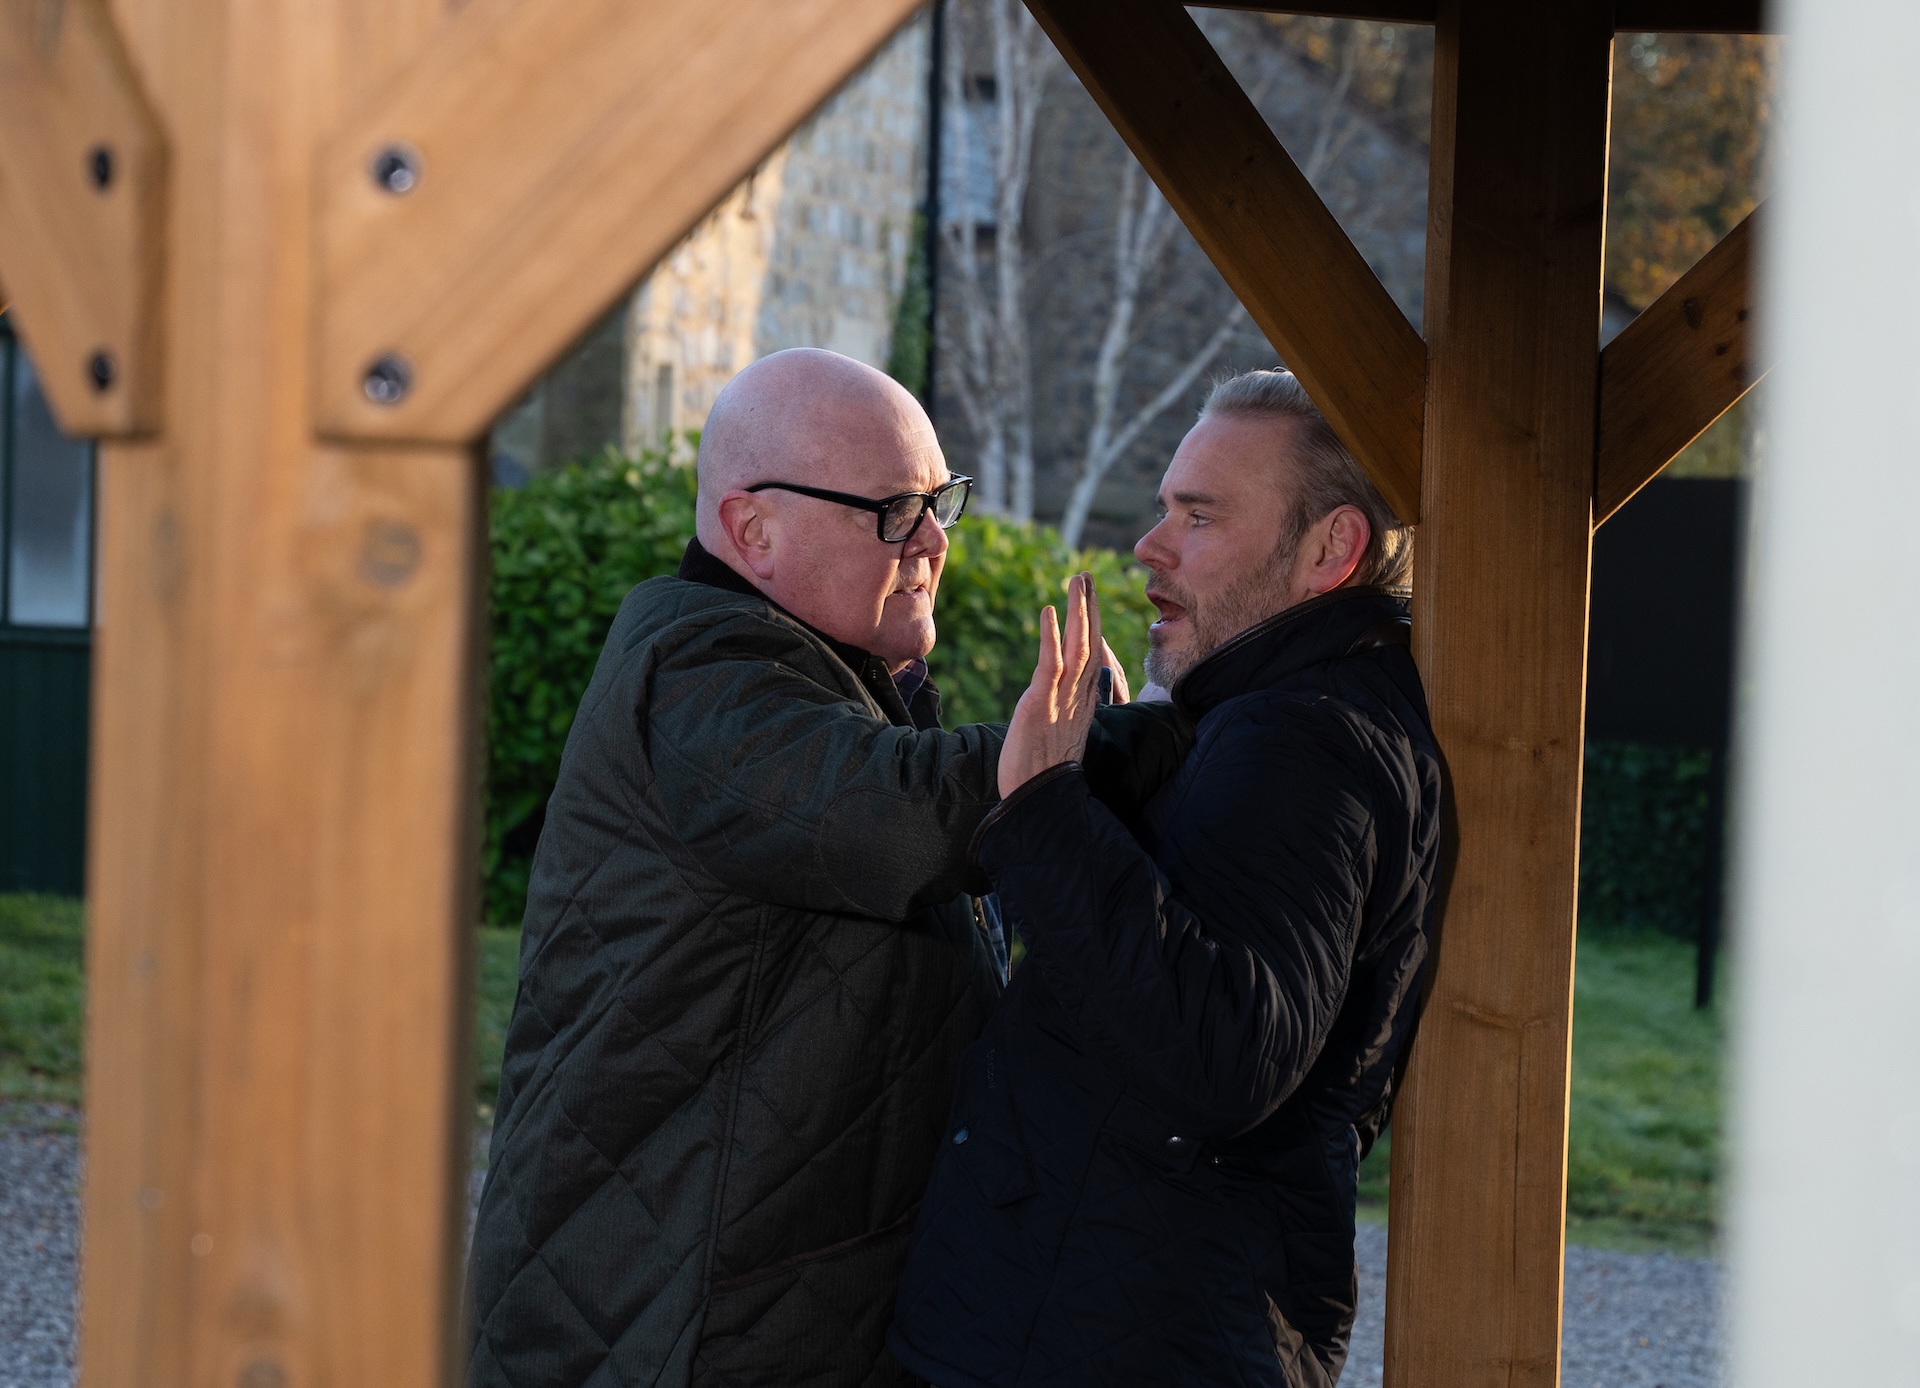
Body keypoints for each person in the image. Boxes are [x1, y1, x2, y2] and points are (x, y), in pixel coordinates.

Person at [467, 349, 1185, 1388]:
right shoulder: (699, 675)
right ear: (752, 529)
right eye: (894, 509)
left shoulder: (831, 682)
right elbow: (901, 810)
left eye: (940, 502)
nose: (935, 540)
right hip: (667, 1332)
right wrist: (1162, 738)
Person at [889, 369, 1444, 1388]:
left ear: (1332, 548)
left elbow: (1228, 1049)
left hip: (1112, 1339)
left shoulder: (1302, 738)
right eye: (1163, 510)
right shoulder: (1274, 713)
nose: (1151, 547)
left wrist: (1049, 803)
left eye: (1198, 515)